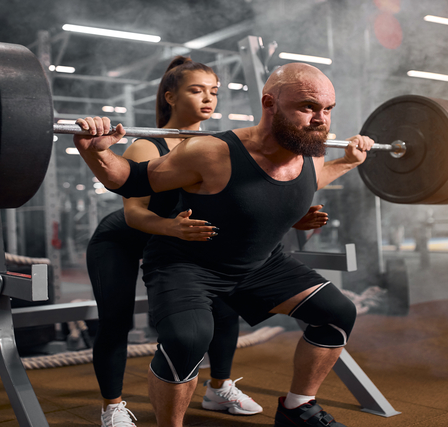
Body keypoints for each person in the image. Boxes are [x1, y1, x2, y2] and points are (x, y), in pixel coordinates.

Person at [74, 62, 373, 427]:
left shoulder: (311, 152)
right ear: (269, 104)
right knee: (187, 339)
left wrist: (347, 161)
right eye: (308, 107)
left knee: (337, 312)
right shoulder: (212, 151)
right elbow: (130, 180)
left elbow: (301, 184)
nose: (320, 119)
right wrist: (95, 151)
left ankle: (298, 408)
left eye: (327, 109)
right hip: (188, 263)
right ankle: (123, 407)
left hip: (258, 264)